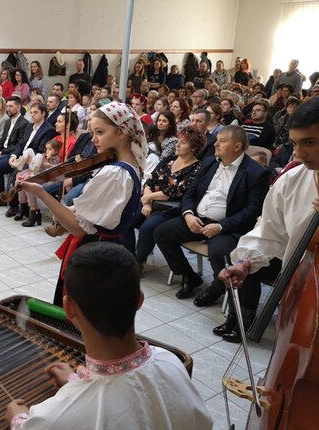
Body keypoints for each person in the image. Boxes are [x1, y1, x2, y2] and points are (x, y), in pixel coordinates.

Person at [5, 243, 213, 430]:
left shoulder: (55, 417)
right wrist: (74, 381)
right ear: (139, 300)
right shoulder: (170, 361)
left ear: (69, 307)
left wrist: (18, 419)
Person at [19, 102, 147, 306]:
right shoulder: (130, 167)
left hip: (93, 254)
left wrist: (41, 193)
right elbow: (101, 210)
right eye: (93, 132)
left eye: (100, 132)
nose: (94, 139)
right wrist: (68, 210)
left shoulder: (114, 173)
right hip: (107, 248)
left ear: (122, 132)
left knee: (78, 310)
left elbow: (79, 228)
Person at [217, 97, 319, 342]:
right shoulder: (292, 180)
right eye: (294, 143)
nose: (298, 153)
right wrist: (244, 262)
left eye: (310, 142)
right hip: (299, 290)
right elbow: (269, 231)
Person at [154, 126, 270, 303]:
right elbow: (190, 193)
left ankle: (217, 289)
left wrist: (221, 226)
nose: (215, 144)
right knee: (162, 233)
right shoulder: (209, 162)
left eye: (222, 141)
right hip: (197, 220)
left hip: (226, 226)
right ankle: (189, 276)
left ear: (237, 146)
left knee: (219, 253)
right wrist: (188, 215)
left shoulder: (256, 172)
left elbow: (253, 210)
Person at [122, 126, 205, 272]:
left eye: (183, 143)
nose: (177, 144)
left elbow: (174, 192)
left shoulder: (197, 168)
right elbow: (150, 181)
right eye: (178, 141)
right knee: (126, 218)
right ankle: (129, 256)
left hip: (168, 209)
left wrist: (148, 197)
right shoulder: (169, 159)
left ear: (193, 148)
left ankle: (138, 261)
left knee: (147, 228)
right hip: (150, 201)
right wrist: (147, 201)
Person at [12, 139, 62, 227]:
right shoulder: (44, 155)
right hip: (37, 172)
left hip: (46, 177)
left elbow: (54, 170)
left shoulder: (56, 158)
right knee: (19, 174)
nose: (47, 151)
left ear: (56, 151)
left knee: (28, 182)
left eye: (50, 149)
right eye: (47, 149)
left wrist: (48, 161)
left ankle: (34, 211)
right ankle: (23, 207)